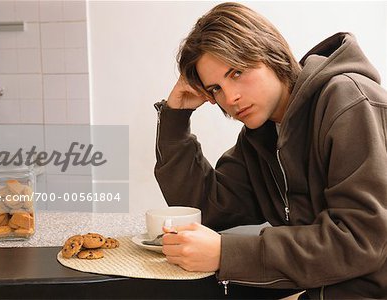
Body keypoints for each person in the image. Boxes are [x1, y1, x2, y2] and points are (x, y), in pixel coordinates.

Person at [153, 2, 387, 299]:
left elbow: (362, 241)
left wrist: (228, 254)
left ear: (269, 53)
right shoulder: (261, 136)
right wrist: (176, 117)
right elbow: (206, 207)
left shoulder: (347, 101)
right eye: (216, 89)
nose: (231, 98)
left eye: (236, 72)